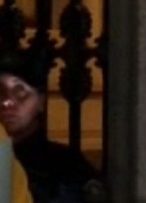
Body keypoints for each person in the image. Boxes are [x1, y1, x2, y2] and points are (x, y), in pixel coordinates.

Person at [0, 54, 102, 203]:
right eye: (0, 93)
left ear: (41, 101)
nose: (7, 103)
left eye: (20, 92)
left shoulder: (66, 164)